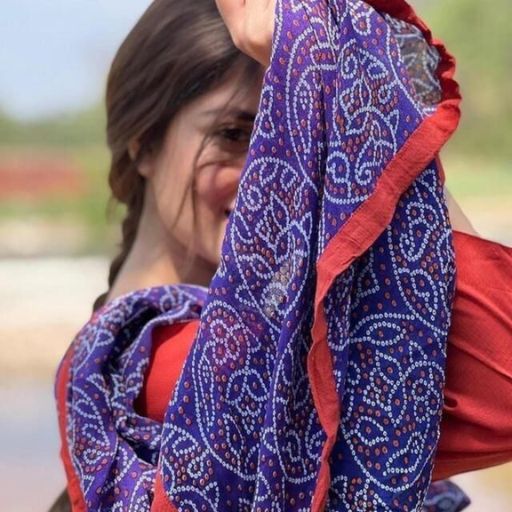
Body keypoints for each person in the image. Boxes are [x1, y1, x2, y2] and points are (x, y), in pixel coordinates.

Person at [52, 0, 512, 510]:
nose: (264, 182)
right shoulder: (166, 361)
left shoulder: (253, 345)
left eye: (301, 136)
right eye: (233, 134)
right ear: (143, 145)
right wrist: (358, 88)